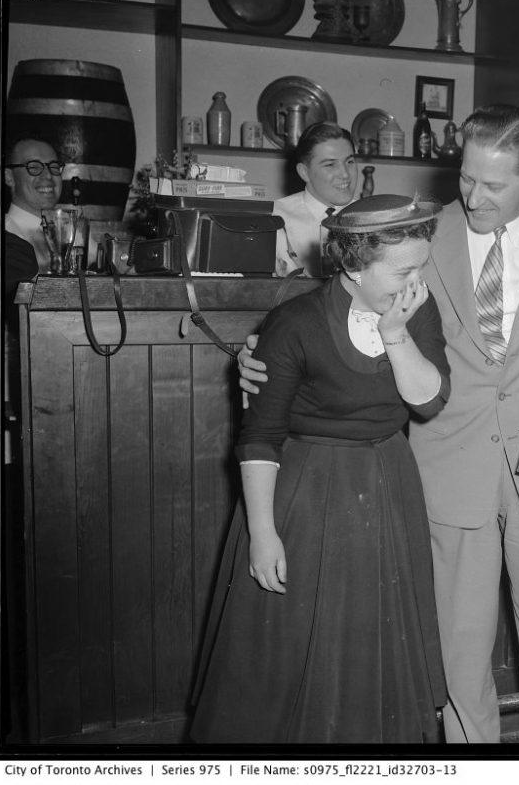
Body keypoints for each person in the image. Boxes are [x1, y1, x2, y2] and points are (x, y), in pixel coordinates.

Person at [239, 104, 519, 743]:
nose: (474, 197)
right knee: (457, 653)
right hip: (448, 468)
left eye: (495, 184)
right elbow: (336, 305)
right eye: (467, 178)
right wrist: (256, 357)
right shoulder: (420, 231)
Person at [189, 194, 450, 743]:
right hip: (306, 495)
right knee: (293, 653)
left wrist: (396, 332)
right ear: (353, 265)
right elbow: (259, 436)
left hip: (386, 483)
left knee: (374, 647)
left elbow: (427, 401)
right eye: (403, 269)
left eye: (420, 266)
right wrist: (262, 534)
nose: (416, 281)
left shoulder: (416, 308)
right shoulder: (294, 324)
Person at [272, 122, 359, 277]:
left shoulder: (371, 219)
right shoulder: (275, 219)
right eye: (330, 165)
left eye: (349, 162)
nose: (345, 174)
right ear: (305, 172)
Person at [3, 136, 65, 273]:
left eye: (53, 166)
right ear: (9, 177)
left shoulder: (72, 235)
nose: (48, 176)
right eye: (34, 167)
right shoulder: (6, 240)